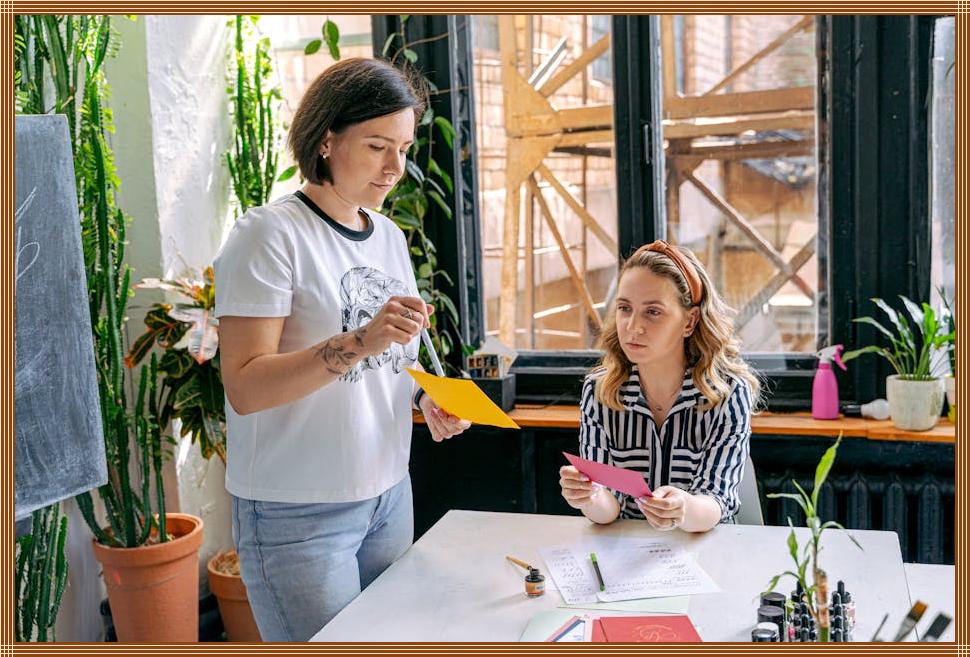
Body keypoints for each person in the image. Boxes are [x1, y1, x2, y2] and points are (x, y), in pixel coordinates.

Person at [214, 57, 469, 641]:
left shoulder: (388, 236)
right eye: (377, 146)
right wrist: (359, 340)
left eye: (403, 148)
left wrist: (426, 399)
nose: (395, 168)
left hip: (388, 494)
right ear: (326, 140)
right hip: (297, 511)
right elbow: (246, 386)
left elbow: (395, 360)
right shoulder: (269, 234)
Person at [558, 240, 761, 532]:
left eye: (653, 312)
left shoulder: (728, 394)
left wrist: (683, 508)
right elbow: (608, 509)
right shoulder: (600, 391)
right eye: (624, 308)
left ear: (689, 321)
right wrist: (589, 496)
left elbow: (716, 501)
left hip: (704, 546)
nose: (633, 327)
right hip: (627, 548)